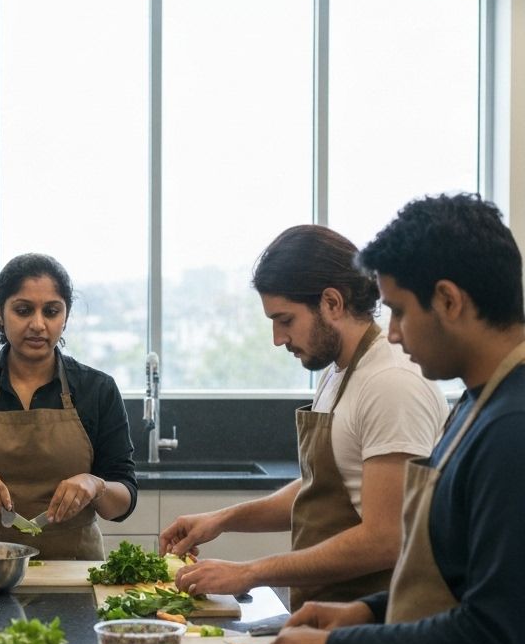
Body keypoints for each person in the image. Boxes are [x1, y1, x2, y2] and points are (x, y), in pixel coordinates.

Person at [265, 194, 525, 644]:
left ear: (450, 300)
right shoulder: (475, 406)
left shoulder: (512, 428)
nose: (395, 333)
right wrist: (363, 609)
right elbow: (448, 574)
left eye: (401, 311)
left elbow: (498, 629)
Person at [161, 224, 447, 610]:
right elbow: (324, 485)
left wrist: (250, 572)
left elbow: (385, 539)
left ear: (331, 302)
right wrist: (222, 518)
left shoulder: (390, 382)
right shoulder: (336, 372)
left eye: (285, 320)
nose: (278, 339)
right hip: (328, 613)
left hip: (376, 621)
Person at [0, 253, 137, 560]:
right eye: (23, 310)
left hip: (74, 568)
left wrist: (95, 485)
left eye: (51, 311)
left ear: (66, 315)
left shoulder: (97, 389)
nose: (38, 324)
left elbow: (123, 502)